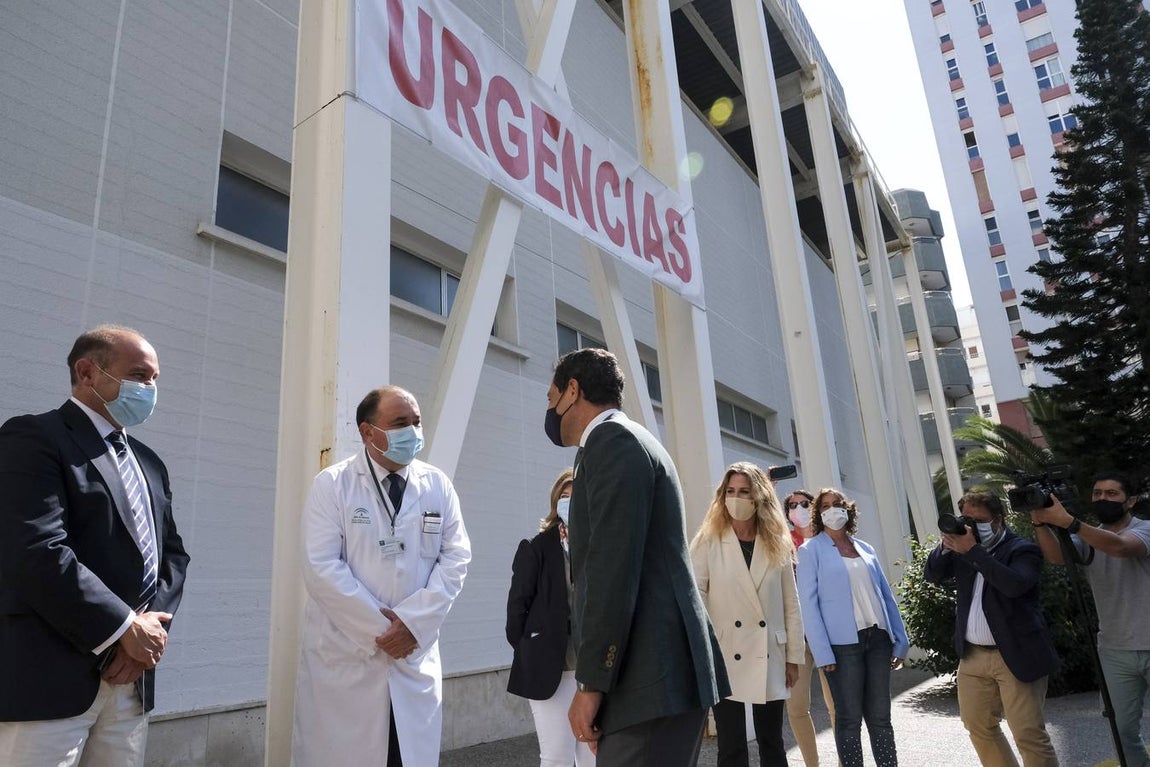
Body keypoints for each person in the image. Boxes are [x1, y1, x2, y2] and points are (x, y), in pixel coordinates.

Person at [0, 325, 190, 766]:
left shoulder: (149, 462)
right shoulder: (34, 439)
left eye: (155, 379)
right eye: (139, 375)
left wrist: (149, 637)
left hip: (131, 682)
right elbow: (37, 549)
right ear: (87, 372)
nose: (149, 389)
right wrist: (123, 629)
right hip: (50, 678)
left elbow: (172, 557)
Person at [543, 347, 728, 766]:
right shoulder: (626, 441)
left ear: (573, 391)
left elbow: (611, 571)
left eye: (551, 397)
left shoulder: (612, 443)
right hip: (653, 676)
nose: (550, 410)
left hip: (649, 676)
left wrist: (590, 686)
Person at [292, 386, 472, 767]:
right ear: (367, 432)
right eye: (400, 423)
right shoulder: (333, 484)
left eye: (416, 422)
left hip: (413, 656)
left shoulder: (437, 485)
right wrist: (384, 631)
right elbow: (321, 567)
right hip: (347, 657)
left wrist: (412, 625)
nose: (412, 431)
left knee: (406, 757)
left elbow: (456, 558)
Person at [924, 490, 1060, 767]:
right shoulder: (963, 548)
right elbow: (933, 575)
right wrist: (945, 546)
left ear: (998, 520)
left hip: (1016, 653)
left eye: (979, 520)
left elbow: (1014, 585)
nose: (971, 526)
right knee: (979, 727)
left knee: (1028, 733)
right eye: (967, 519)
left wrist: (974, 551)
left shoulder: (1022, 549)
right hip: (972, 656)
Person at [1031, 471, 1150, 767]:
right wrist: (1039, 521)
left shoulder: (1145, 529)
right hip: (1114, 649)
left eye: (1111, 494)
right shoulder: (1087, 536)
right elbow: (1057, 557)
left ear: (1130, 501)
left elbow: (1121, 547)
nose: (1102, 499)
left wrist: (1069, 522)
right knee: (1121, 730)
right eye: (1097, 494)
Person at [690, 463, 804, 767]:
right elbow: (695, 595)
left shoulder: (776, 541)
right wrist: (704, 650)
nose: (736, 498)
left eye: (744, 491)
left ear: (759, 497)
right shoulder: (708, 539)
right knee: (731, 745)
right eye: (730, 491)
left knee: (772, 741)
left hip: (770, 652)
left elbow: (790, 603)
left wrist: (793, 656)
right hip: (725, 653)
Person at [796, 488, 908, 767]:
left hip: (878, 640)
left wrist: (900, 639)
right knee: (848, 719)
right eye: (825, 506)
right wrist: (823, 654)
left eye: (838, 504)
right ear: (819, 514)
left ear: (848, 510)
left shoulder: (865, 548)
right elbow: (808, 607)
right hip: (842, 646)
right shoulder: (810, 550)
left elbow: (885, 595)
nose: (833, 510)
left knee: (881, 718)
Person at [506, 469, 595, 767]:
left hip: (593, 669)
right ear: (555, 503)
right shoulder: (536, 547)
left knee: (591, 755)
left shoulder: (600, 546)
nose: (569, 503)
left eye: (576, 497)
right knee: (556, 755)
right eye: (564, 497)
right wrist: (532, 646)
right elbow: (517, 608)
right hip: (550, 666)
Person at [782, 489, 836, 767]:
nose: (799, 509)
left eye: (805, 504)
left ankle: (845, 761)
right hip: (798, 637)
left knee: (836, 705)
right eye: (792, 505)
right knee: (797, 706)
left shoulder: (830, 541)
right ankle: (811, 763)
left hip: (829, 636)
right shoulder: (783, 542)